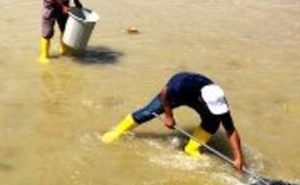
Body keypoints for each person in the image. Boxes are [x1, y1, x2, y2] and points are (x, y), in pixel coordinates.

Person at [101, 72, 246, 171]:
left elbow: (230, 130)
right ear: (202, 100)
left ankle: (192, 148)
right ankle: (117, 131)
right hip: (178, 93)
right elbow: (165, 92)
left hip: (199, 98)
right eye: (211, 107)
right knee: (148, 112)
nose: (216, 110)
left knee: (213, 121)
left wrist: (238, 158)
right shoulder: (181, 87)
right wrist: (169, 115)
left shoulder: (219, 101)